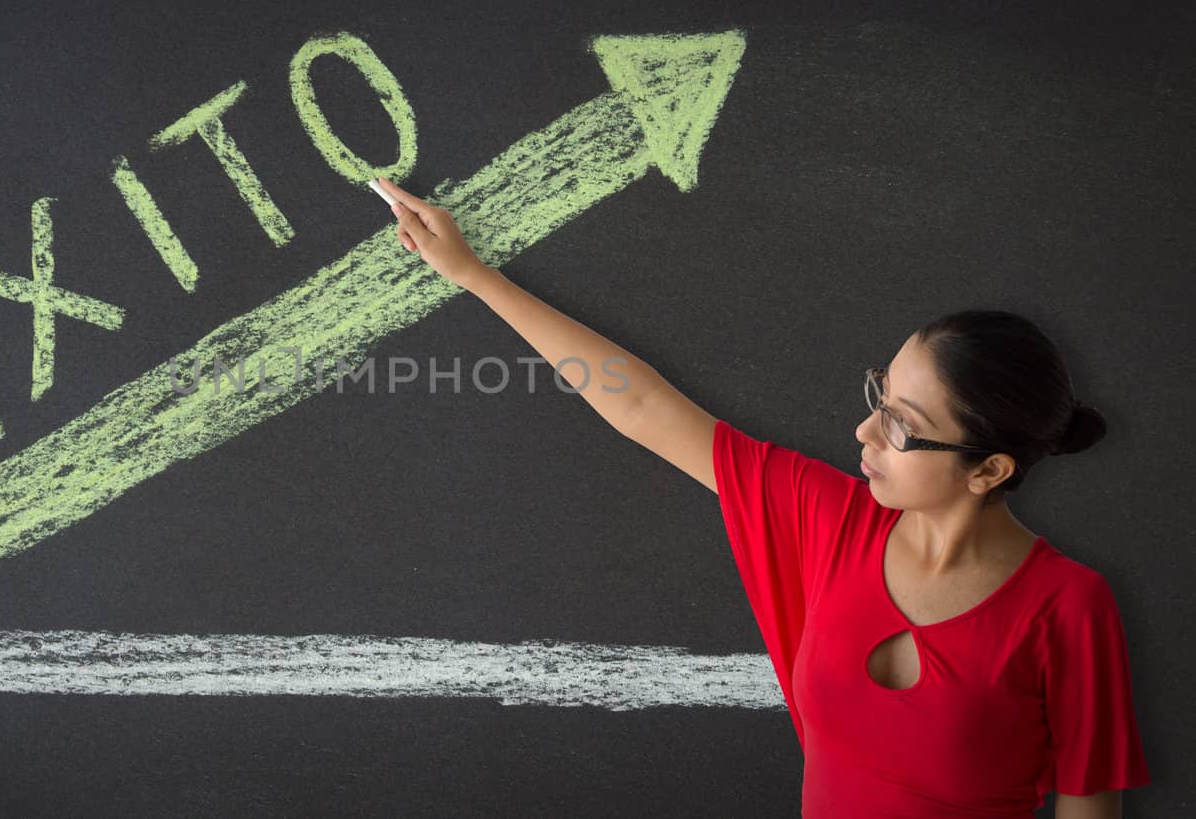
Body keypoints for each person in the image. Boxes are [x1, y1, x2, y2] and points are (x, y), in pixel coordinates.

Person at [376, 177, 1151, 818]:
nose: (865, 433)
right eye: (880, 395)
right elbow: (644, 408)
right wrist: (473, 274)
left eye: (903, 427)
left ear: (989, 471)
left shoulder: (1068, 609)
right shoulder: (830, 519)